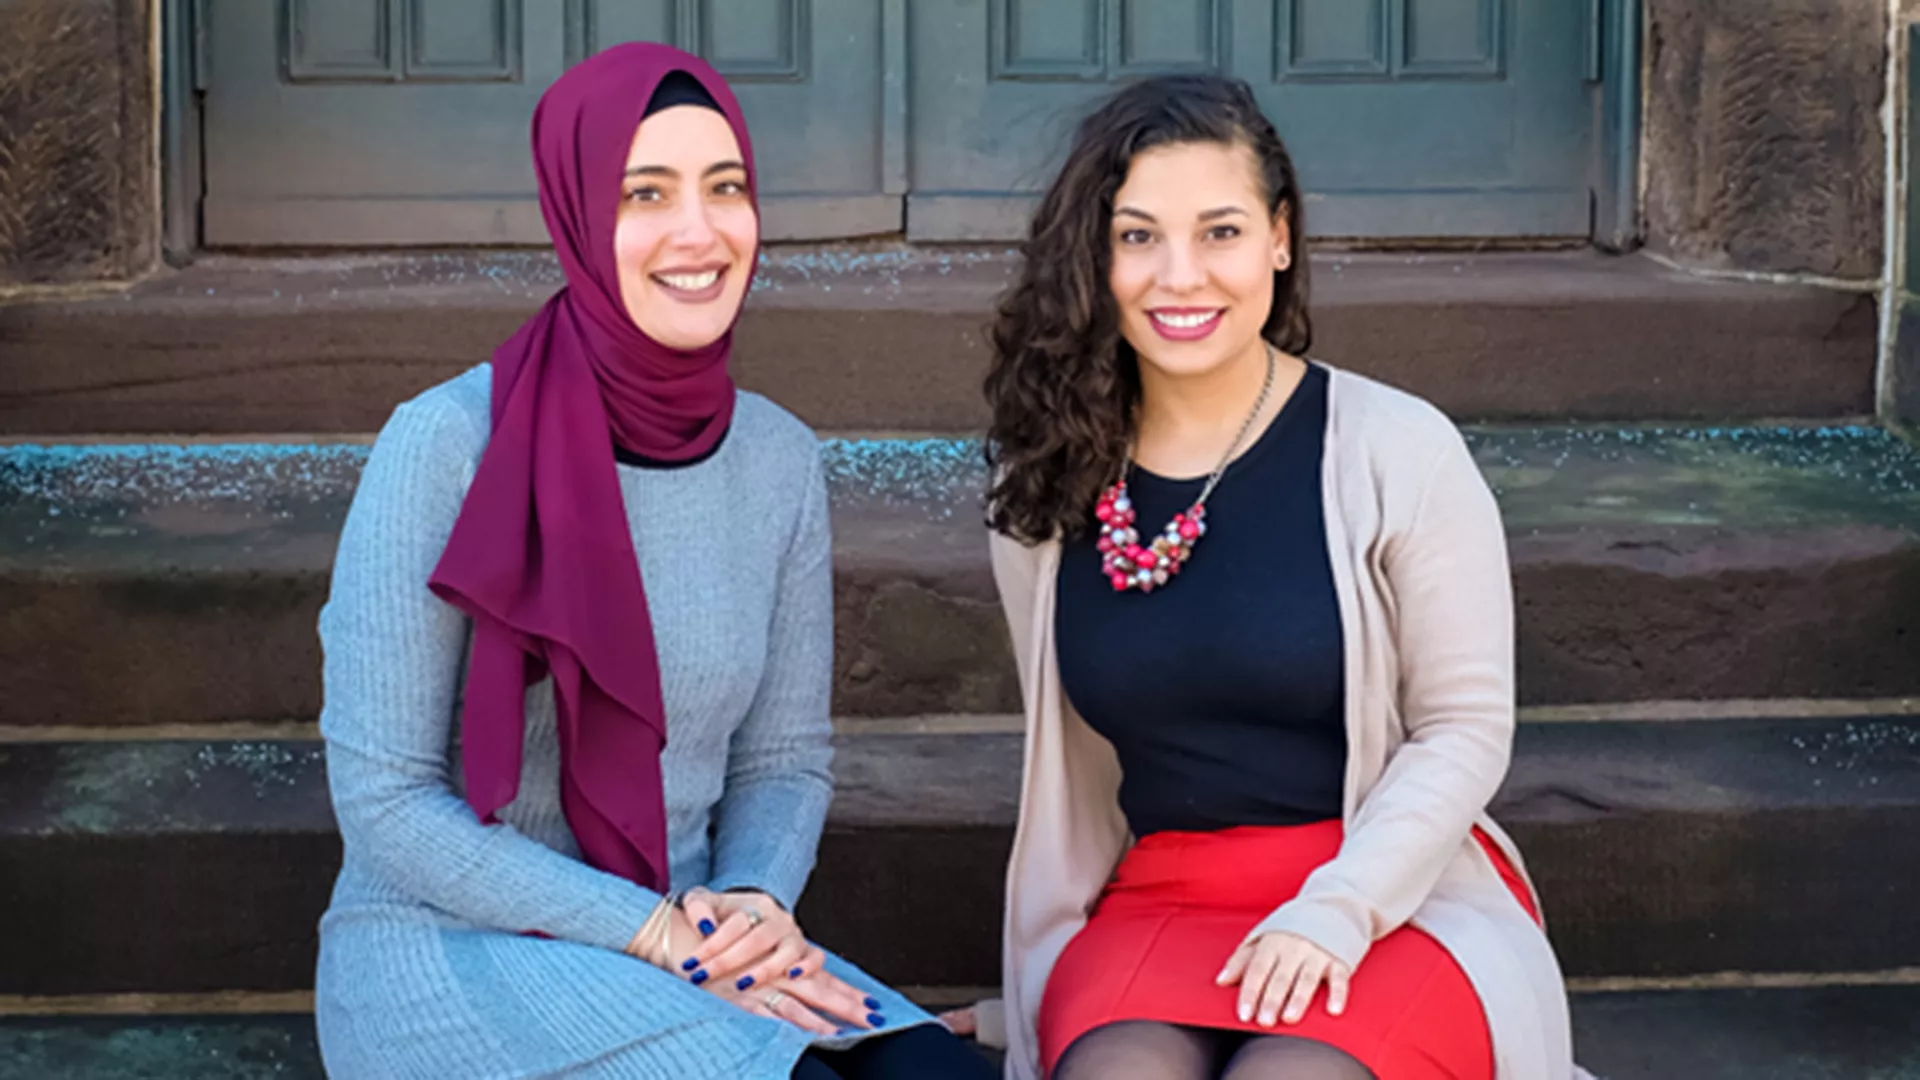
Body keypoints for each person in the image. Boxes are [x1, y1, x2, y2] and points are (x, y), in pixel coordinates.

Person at [313, 43, 994, 1080]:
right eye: (645, 193)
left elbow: (783, 763)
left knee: (936, 1076)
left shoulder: (776, 459)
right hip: (453, 951)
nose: (698, 231)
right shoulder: (446, 445)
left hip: (699, 941)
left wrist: (757, 907)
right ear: (578, 215)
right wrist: (659, 933)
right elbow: (389, 804)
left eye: (726, 188)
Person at [974, 75, 1585, 1080]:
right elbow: (1075, 771)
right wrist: (1033, 991)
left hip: (1392, 895)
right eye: (1138, 237)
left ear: (1280, 238)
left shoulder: (1398, 451)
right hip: (1161, 901)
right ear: (1094, 256)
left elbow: (1465, 726)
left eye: (1220, 231)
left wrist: (1338, 911)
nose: (1181, 276)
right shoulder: (1045, 476)